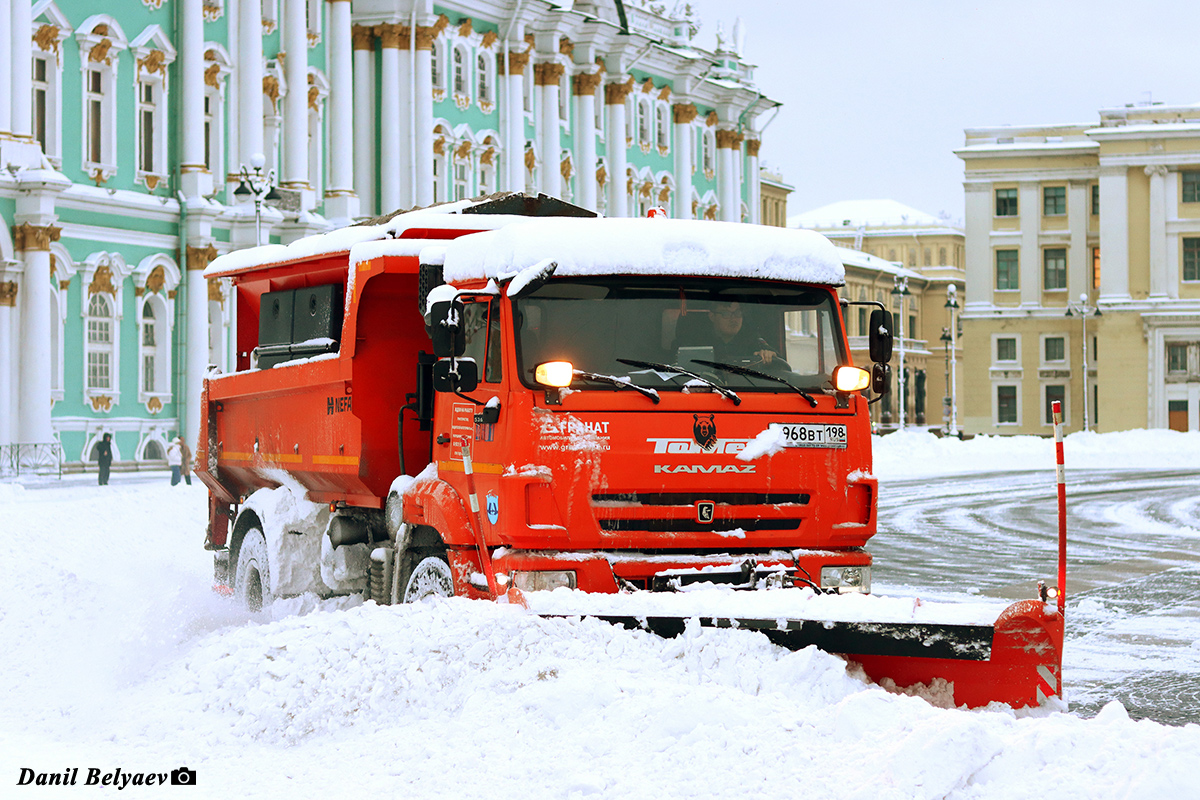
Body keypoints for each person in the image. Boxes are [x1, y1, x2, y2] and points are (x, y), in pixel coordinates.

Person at [705, 301, 778, 366]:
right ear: (712, 316)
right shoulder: (701, 341)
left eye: (737, 313)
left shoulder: (753, 341)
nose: (733, 319)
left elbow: (782, 364)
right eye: (726, 314)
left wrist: (769, 355)